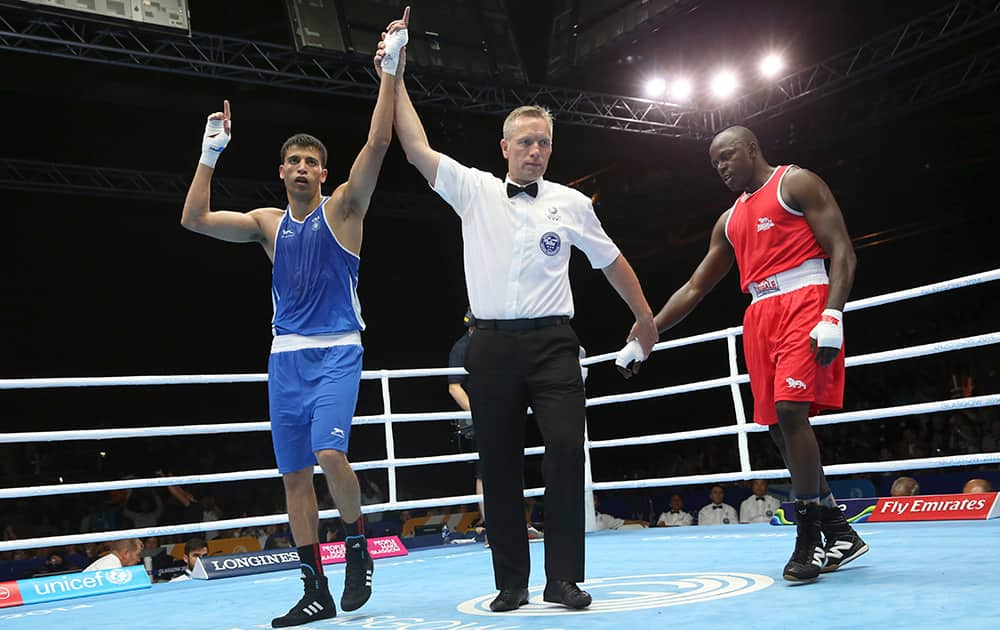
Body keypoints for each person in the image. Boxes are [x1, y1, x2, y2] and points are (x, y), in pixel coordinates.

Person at [379, 25, 658, 612]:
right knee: (498, 465)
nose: (535, 151)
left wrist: (645, 317)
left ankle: (562, 578)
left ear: (552, 148)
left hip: (556, 344)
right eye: (525, 142)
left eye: (544, 143)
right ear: (504, 146)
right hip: (490, 346)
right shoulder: (473, 189)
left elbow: (611, 261)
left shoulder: (572, 203)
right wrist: (396, 73)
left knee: (565, 454)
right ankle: (510, 583)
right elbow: (414, 146)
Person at [179, 9, 410, 626]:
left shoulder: (344, 212)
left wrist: (390, 69)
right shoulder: (265, 225)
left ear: (324, 173)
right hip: (285, 359)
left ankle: (358, 545)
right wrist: (210, 152)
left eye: (313, 161)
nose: (304, 168)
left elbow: (380, 143)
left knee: (331, 455)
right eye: (294, 161)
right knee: (294, 477)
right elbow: (194, 219)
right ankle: (315, 587)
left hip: (339, 349)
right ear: (282, 171)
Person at [644, 126, 866, 582]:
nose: (722, 167)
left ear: (751, 149)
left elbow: (842, 248)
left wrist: (832, 315)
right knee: (777, 428)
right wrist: (645, 332)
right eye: (714, 164)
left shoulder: (795, 182)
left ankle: (807, 540)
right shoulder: (729, 220)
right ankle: (840, 531)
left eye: (727, 156)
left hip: (806, 297)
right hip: (760, 314)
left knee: (790, 410)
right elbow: (695, 287)